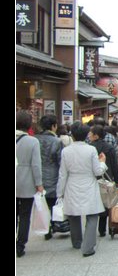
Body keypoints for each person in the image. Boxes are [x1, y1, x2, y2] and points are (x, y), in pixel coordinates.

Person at [56, 121, 107, 257]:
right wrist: (103, 163)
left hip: (72, 184)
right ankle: (88, 247)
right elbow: (97, 171)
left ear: (72, 134)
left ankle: (77, 241)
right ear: (86, 134)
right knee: (92, 215)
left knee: (73, 214)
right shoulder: (91, 150)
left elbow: (62, 174)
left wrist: (59, 192)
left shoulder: (66, 151)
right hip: (89, 183)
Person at [16, 110, 44, 257]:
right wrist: (39, 183)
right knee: (25, 214)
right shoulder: (32, 141)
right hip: (26, 181)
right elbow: (36, 165)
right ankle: (20, 245)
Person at [88, 124, 118, 237]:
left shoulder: (89, 148)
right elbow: (114, 165)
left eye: (90, 133)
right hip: (107, 178)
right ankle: (102, 229)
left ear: (96, 136)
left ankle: (90, 227)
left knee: (93, 202)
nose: (88, 135)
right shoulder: (109, 148)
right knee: (105, 202)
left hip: (92, 178)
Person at [35, 114, 63, 240]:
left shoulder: (35, 139)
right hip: (53, 175)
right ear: (53, 126)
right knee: (52, 202)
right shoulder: (57, 141)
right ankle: (51, 225)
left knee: (41, 202)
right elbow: (60, 161)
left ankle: (45, 227)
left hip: (38, 176)